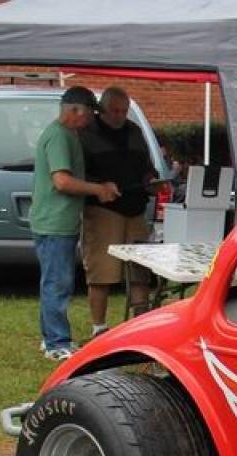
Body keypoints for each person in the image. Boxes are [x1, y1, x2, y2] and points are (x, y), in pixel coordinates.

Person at [30, 86, 119, 360]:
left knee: (53, 281)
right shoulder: (59, 136)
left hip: (57, 222)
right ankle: (57, 343)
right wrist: (98, 190)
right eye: (90, 113)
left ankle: (50, 338)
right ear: (75, 110)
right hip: (54, 223)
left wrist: (99, 185)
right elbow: (62, 181)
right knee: (58, 284)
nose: (92, 119)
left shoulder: (67, 134)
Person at [79, 86, 160, 336]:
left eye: (124, 111)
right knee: (101, 272)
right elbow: (79, 173)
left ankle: (141, 324)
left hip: (135, 208)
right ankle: (99, 327)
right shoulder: (86, 133)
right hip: (103, 210)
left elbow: (147, 166)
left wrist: (151, 180)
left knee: (140, 270)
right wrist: (100, 186)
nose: (120, 116)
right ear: (102, 109)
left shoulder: (134, 131)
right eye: (114, 111)